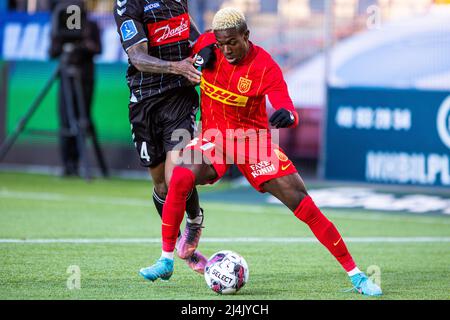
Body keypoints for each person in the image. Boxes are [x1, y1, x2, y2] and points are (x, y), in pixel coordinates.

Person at [139, 7, 382, 297]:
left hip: (253, 142)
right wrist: (199, 56)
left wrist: (288, 116)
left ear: (246, 35)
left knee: (303, 205)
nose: (226, 49)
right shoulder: (207, 45)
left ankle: (356, 276)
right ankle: (166, 259)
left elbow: (284, 102)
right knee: (179, 176)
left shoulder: (265, 65)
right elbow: (188, 43)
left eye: (232, 42)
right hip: (213, 138)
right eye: (221, 43)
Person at [113, 0, 209, 274]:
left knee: (176, 173)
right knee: (161, 186)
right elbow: (138, 58)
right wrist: (177, 66)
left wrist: (201, 56)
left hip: (179, 98)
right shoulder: (127, 5)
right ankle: (179, 244)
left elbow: (190, 33)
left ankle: (194, 221)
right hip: (144, 101)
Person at [49, 1, 102, 177]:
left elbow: (97, 49)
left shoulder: (91, 25)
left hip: (85, 78)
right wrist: (63, 44)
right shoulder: (61, 22)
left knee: (82, 119)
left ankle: (80, 163)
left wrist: (83, 43)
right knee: (65, 119)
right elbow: (52, 51)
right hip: (65, 78)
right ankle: (67, 165)